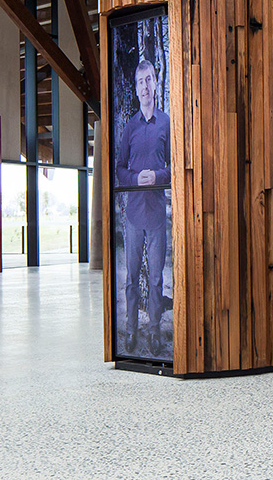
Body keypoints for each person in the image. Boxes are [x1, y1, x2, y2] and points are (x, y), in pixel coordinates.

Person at [116, 58, 171, 356]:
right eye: (140, 82)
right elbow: (119, 168)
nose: (145, 86)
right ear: (136, 90)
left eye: (149, 80)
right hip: (133, 216)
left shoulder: (165, 123)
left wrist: (158, 176)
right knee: (132, 276)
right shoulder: (129, 128)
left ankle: (154, 333)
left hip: (156, 216)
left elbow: (175, 168)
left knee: (157, 278)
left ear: (155, 82)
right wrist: (136, 177)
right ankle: (131, 330)